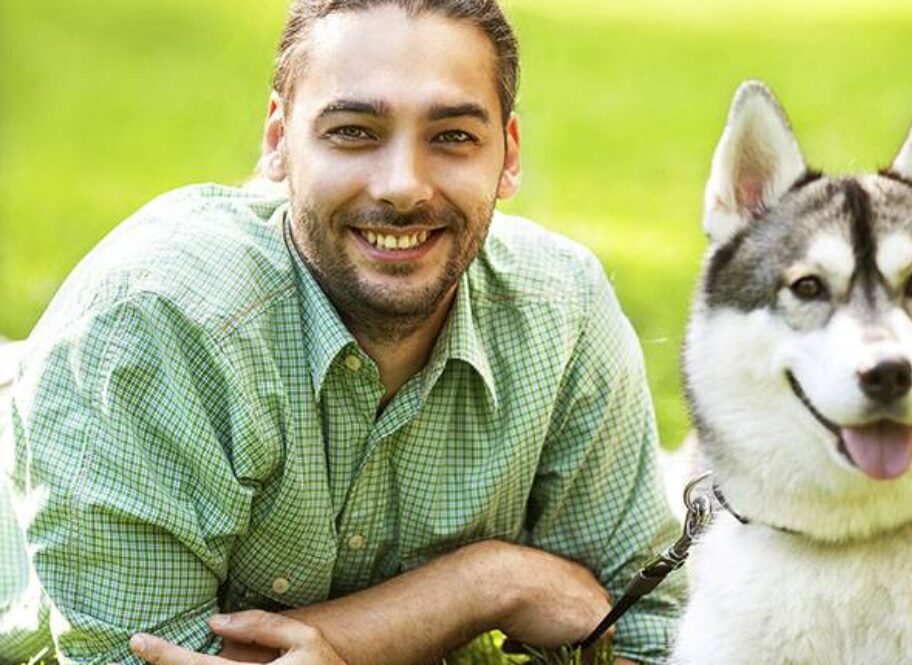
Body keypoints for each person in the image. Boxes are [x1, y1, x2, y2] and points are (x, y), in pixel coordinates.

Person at [0, 1, 684, 663]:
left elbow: (650, 627)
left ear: (506, 156)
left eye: (451, 136)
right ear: (278, 142)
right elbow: (136, 657)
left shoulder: (562, 315)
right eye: (353, 131)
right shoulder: (152, 326)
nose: (402, 187)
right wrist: (486, 583)